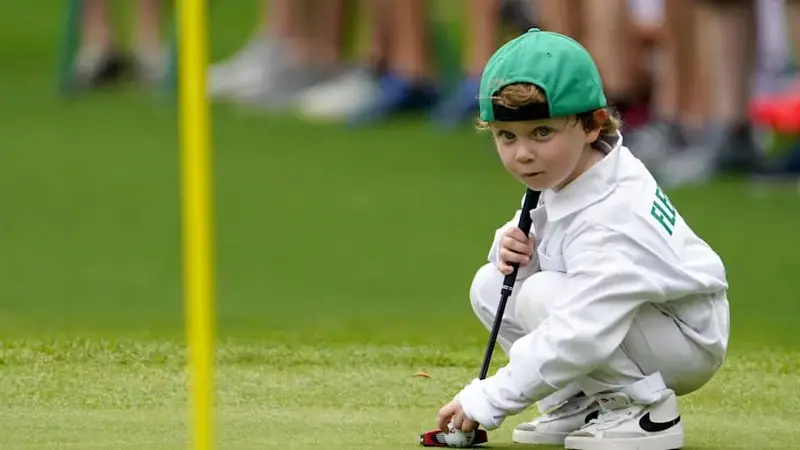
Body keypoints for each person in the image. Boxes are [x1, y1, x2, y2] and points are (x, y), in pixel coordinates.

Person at [431, 29, 730, 449]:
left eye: (541, 133)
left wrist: (488, 399)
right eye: (506, 136)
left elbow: (581, 329)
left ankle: (647, 413)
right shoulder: (567, 170)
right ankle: (583, 402)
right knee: (493, 283)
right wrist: (512, 246)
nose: (522, 154)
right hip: (639, 323)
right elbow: (557, 253)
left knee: (542, 295)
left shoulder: (613, 215)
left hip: (686, 341)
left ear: (593, 124)